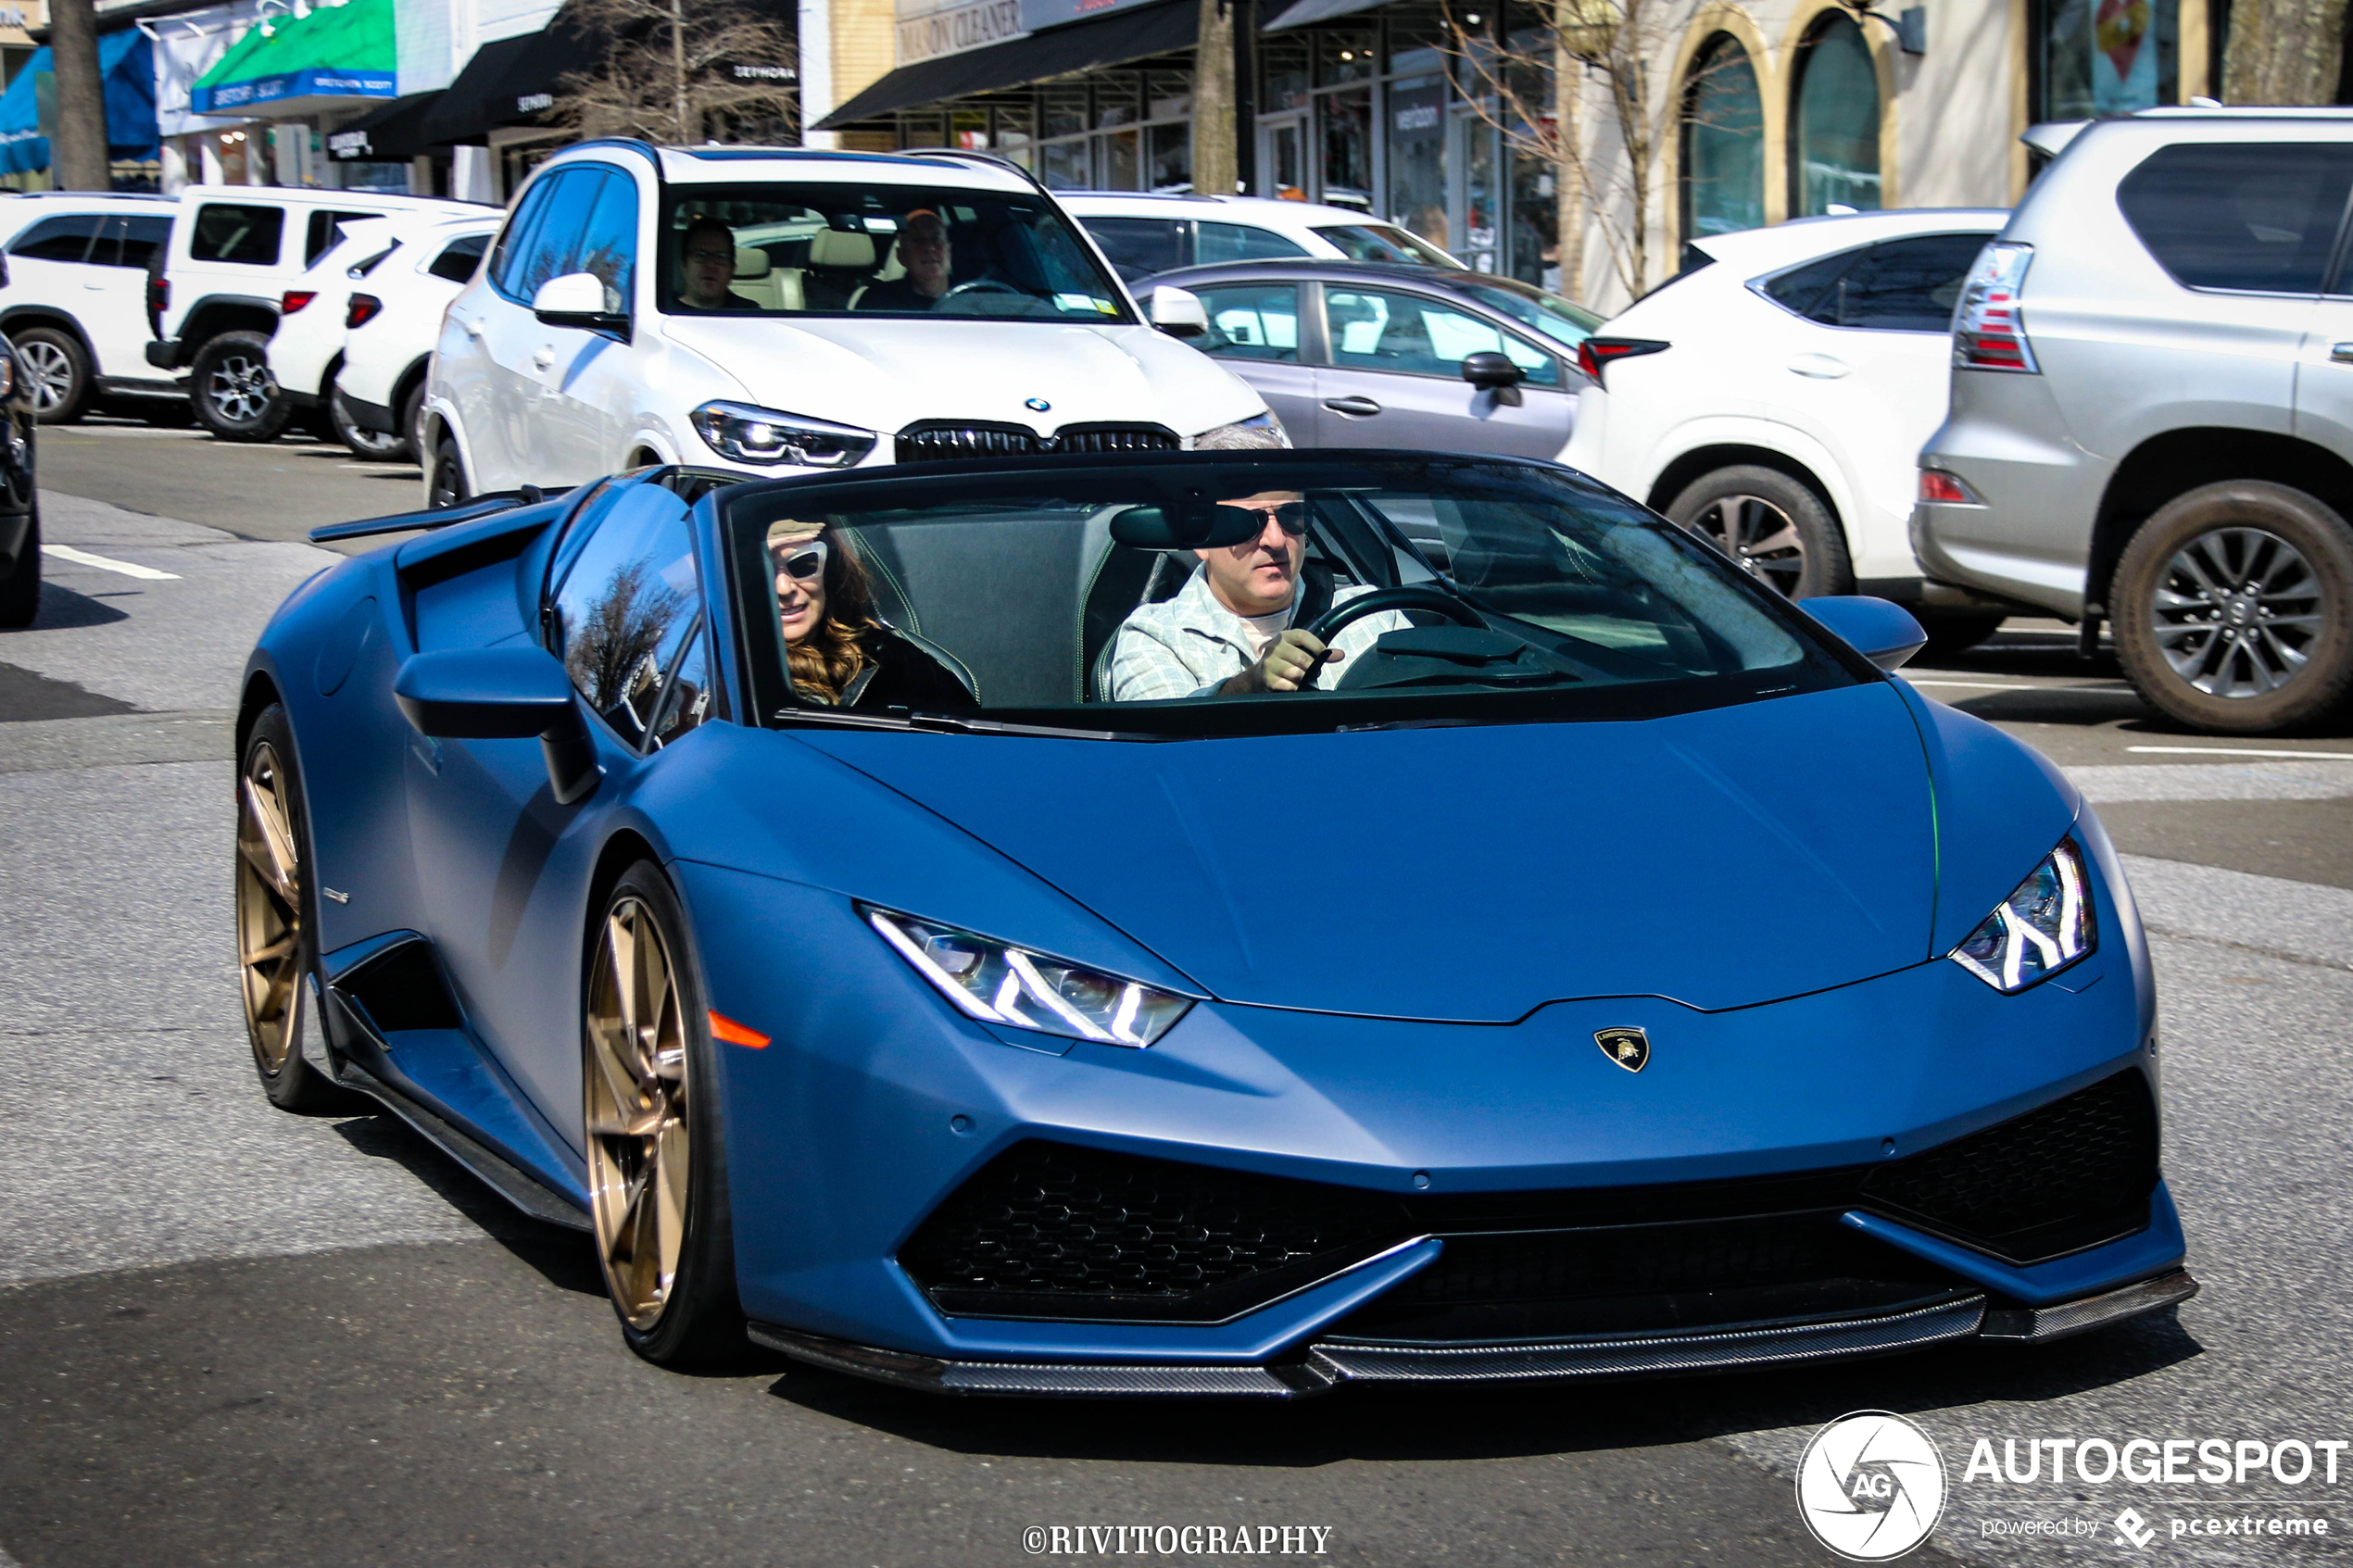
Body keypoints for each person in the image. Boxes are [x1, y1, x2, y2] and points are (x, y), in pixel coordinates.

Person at [1105, 431, 1407, 701]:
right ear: (1201, 539)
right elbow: (1165, 751)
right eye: (1247, 522)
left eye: (1293, 516)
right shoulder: (1155, 634)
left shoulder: (1373, 616)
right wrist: (1251, 687)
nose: (1275, 540)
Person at [770, 522, 977, 711]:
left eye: (804, 564)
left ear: (830, 570)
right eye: (763, 570)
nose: (784, 588)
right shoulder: (742, 677)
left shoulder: (888, 657)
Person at [853, 209, 955, 311]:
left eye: (937, 239)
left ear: (949, 251)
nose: (929, 247)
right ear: (901, 256)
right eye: (917, 240)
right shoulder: (877, 301)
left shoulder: (968, 297)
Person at [677, 218, 761, 310]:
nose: (710, 265)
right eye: (700, 255)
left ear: (732, 269)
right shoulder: (662, 313)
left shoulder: (750, 315)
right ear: (684, 265)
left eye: (720, 257)